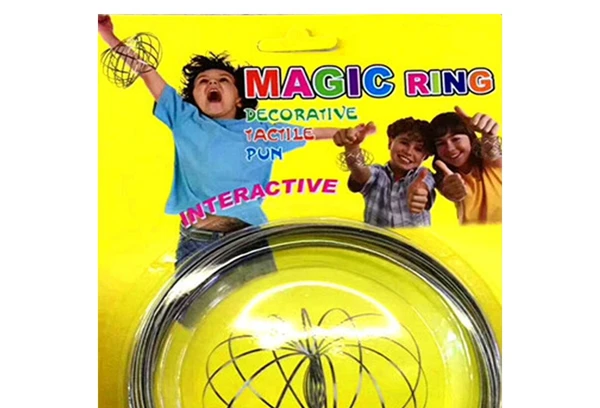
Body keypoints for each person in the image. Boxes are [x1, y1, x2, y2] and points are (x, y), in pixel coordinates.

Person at [98, 15, 342, 267]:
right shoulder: (184, 119)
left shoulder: (260, 131)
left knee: (259, 292)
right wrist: (108, 35)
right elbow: (147, 72)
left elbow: (312, 133)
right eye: (203, 81)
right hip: (199, 239)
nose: (212, 82)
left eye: (223, 80)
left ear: (239, 98)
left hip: (249, 238)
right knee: (191, 294)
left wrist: (347, 133)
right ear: (193, 97)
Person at [333, 118, 436, 228]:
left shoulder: (423, 175)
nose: (408, 152)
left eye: (418, 149)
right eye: (404, 143)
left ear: (425, 157)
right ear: (390, 142)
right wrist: (352, 148)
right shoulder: (377, 173)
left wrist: (420, 193)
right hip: (376, 238)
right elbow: (359, 171)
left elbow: (425, 184)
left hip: (412, 239)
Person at [431, 106, 502, 224]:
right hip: (472, 234)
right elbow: (446, 188)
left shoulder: (493, 164)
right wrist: (451, 190)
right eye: (440, 143)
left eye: (455, 139)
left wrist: (488, 135)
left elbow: (493, 155)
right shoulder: (445, 177)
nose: (450, 148)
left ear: (470, 138)